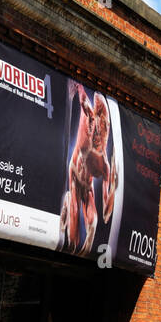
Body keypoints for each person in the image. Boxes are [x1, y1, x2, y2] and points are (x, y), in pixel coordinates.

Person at [59, 83, 117, 255]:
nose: (99, 136)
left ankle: (79, 251)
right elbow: (84, 101)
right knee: (73, 220)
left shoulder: (103, 162)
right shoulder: (88, 123)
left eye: (104, 129)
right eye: (98, 128)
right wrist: (78, 89)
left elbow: (107, 213)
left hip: (88, 188)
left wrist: (113, 184)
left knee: (94, 223)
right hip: (75, 176)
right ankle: (65, 223)